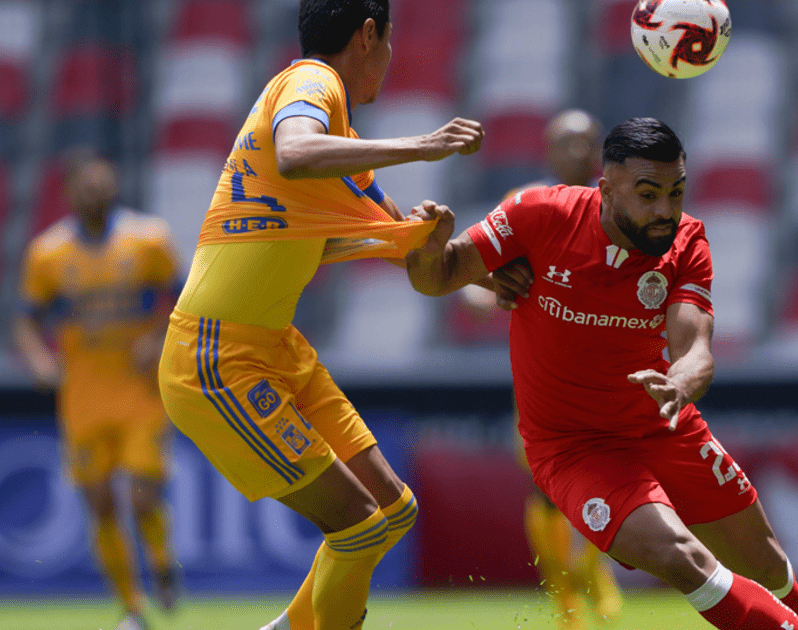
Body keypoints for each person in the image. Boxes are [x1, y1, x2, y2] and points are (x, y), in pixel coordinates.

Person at [156, 2, 524, 629]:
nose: (390, 61)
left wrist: (468, 262)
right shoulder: (311, 81)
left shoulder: (346, 155)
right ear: (368, 34)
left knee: (393, 511)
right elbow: (296, 151)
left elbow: (417, 270)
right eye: (389, 44)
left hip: (276, 349)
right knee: (358, 524)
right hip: (217, 359)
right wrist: (423, 145)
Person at [406, 118, 798, 630]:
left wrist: (680, 383)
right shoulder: (535, 212)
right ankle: (572, 606)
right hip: (574, 446)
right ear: (607, 187)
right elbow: (439, 277)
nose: (665, 209)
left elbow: (696, 350)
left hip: (663, 423)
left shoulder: (686, 242)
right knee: (683, 558)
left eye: (676, 192)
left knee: (769, 567)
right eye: (648, 195)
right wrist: (430, 252)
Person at [463, 109, 623, 629]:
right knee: (546, 485)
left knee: (611, 475)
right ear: (550, 152)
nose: (577, 151)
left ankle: (592, 568)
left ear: (600, 150)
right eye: (566, 143)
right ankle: (565, 595)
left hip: (608, 366)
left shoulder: (620, 211)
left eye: (586, 142)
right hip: (543, 370)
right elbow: (471, 272)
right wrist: (490, 295)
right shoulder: (528, 204)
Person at [16, 152, 182, 630]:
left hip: (140, 394)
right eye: (87, 186)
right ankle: (133, 607)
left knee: (143, 499)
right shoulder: (47, 254)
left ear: (115, 187)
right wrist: (40, 360)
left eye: (103, 184)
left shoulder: (149, 239)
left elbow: (184, 299)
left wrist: (156, 339)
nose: (95, 192)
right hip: (83, 399)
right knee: (101, 505)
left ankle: (162, 561)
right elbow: (26, 322)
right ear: (70, 193)